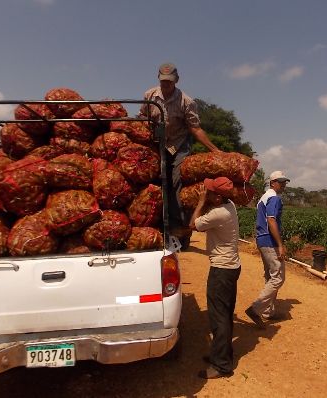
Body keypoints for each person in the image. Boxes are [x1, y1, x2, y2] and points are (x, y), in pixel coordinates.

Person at [139, 62, 221, 248]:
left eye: (169, 82)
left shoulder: (186, 101)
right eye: (163, 81)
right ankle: (154, 225)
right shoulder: (150, 95)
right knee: (153, 181)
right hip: (157, 144)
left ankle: (178, 227)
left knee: (175, 181)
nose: (166, 85)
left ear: (176, 80)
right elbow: (142, 120)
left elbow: (195, 128)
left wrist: (214, 149)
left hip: (178, 145)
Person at [189, 177, 241, 379]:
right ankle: (222, 354)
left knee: (218, 316)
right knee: (225, 314)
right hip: (231, 267)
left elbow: (192, 224)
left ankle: (221, 366)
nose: (206, 192)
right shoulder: (230, 205)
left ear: (218, 197)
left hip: (222, 270)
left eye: (209, 191)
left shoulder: (219, 213)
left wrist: (201, 202)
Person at [245, 170, 290, 329]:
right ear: (272, 183)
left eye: (284, 182)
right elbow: (271, 221)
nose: (283, 184)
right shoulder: (274, 198)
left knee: (270, 276)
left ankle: (267, 312)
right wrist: (280, 244)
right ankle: (256, 309)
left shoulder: (263, 197)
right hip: (269, 240)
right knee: (278, 277)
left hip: (261, 239)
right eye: (280, 181)